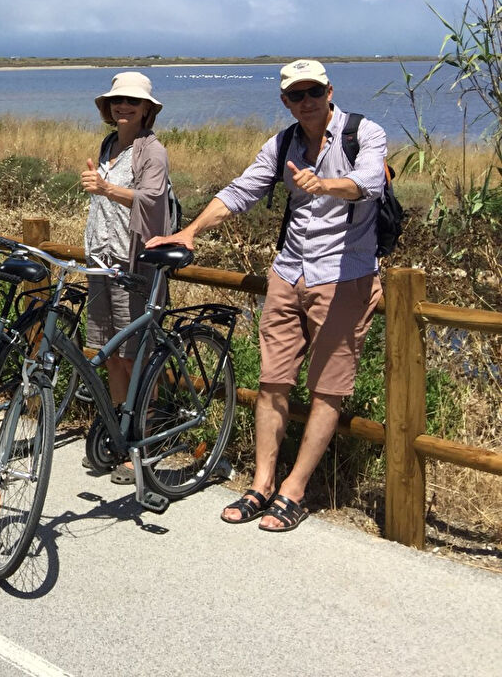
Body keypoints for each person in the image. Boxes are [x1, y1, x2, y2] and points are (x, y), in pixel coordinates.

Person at [149, 59, 387, 533]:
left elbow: (370, 182)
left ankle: (294, 490)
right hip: (288, 272)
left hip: (344, 277)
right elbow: (241, 191)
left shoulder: (363, 132)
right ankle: (261, 484)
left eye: (313, 92)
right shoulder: (282, 143)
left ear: (329, 92)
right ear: (285, 101)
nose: (306, 102)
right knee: (273, 382)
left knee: (327, 388)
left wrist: (324, 185)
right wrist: (191, 231)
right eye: (296, 95)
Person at [79, 72, 172, 483]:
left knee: (136, 353)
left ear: (147, 108)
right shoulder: (109, 145)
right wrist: (102, 189)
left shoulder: (152, 151)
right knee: (110, 352)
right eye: (117, 101)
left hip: (131, 263)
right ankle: (120, 432)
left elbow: (151, 199)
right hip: (101, 258)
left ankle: (143, 443)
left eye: (132, 102)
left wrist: (104, 189)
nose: (123, 107)